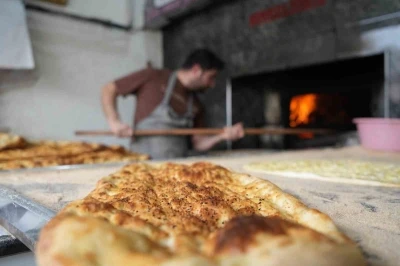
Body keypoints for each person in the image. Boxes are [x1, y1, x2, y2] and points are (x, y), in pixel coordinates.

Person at [101, 48, 244, 159]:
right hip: (142, 167)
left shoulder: (197, 105)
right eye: (211, 77)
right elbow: (109, 89)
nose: (212, 84)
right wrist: (114, 122)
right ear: (196, 70)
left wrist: (222, 136)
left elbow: (199, 143)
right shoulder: (153, 76)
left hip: (176, 171)